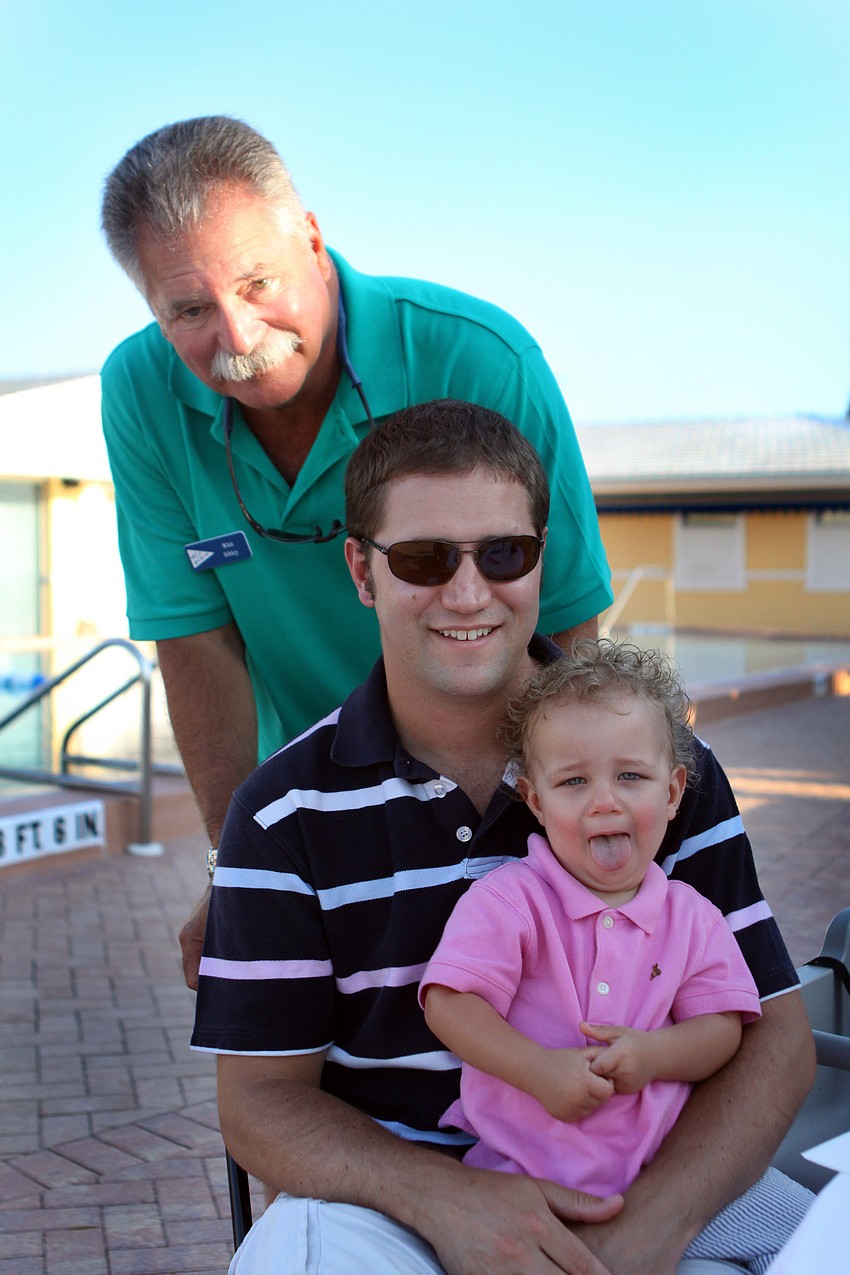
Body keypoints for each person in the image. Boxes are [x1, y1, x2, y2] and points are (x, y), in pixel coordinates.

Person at [191, 400, 815, 1275]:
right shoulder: (280, 812)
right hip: (397, 1208)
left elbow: (774, 1037)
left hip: (659, 1177)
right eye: (422, 558)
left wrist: (653, 1226)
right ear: (362, 573)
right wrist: (449, 1202)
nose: (469, 591)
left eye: (502, 553)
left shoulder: (663, 768)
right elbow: (259, 1101)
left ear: (540, 558)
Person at [98, 115, 612, 985]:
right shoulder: (139, 391)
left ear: (311, 234)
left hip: (498, 790)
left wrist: (557, 838)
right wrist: (240, 870)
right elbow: (195, 643)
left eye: (258, 281)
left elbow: (566, 634)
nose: (236, 335)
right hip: (317, 805)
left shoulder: (479, 356)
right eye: (187, 308)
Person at [420, 640, 813, 1273]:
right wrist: (536, 1071)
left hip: (672, 1178)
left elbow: (722, 1027)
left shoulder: (692, 916)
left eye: (630, 776)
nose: (605, 800)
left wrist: (654, 1055)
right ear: (537, 801)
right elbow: (450, 1002)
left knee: (819, 1237)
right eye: (574, 781)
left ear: (674, 792)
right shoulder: (513, 901)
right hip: (529, 1182)